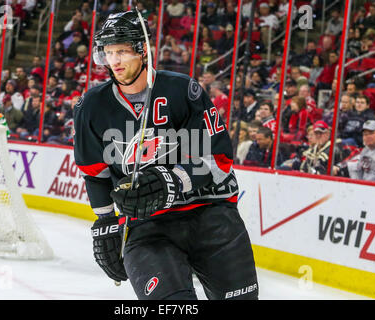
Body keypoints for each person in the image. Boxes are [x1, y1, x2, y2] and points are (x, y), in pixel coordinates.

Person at [73, 11, 258, 300]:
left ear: (142, 49)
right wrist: (105, 221)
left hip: (211, 214)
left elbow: (218, 159)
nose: (115, 61)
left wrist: (171, 181)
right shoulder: (91, 106)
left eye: (122, 51)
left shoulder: (182, 90)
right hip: (149, 227)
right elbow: (95, 171)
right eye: (109, 52)